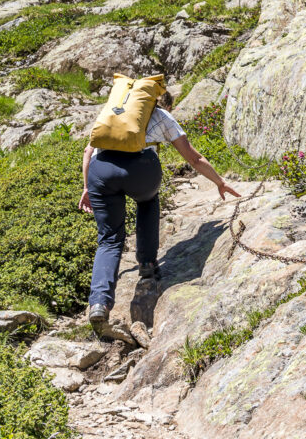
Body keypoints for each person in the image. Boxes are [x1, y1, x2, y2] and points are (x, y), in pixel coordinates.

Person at [78, 91, 241, 330]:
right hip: (141, 170)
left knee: (109, 240)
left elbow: (88, 152)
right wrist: (219, 181)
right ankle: (147, 265)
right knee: (147, 201)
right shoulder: (162, 115)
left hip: (100, 172)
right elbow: (194, 159)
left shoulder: (112, 111)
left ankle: (99, 303)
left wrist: (86, 187)